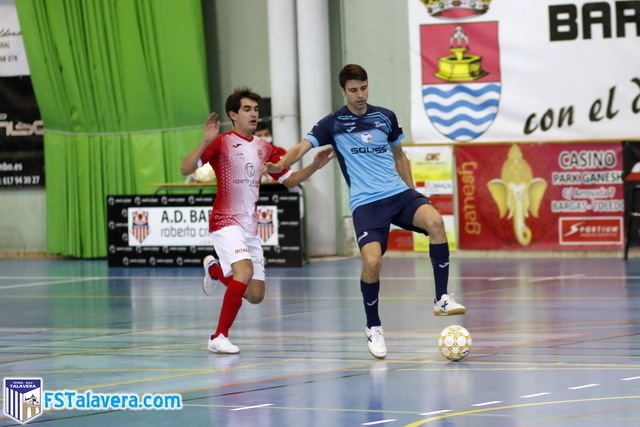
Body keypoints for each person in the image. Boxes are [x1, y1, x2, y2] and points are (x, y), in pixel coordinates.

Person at [265, 64, 465, 359]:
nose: (360, 95)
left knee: (435, 222)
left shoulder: (385, 117)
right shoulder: (332, 124)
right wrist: (281, 165)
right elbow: (301, 148)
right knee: (372, 262)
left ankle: (441, 298)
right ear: (342, 91)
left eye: (364, 88)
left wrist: (414, 192)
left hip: (398, 194)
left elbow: (400, 156)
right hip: (366, 204)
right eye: (354, 90)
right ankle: (373, 327)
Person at [181, 88, 333, 354]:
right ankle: (218, 337)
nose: (253, 114)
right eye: (247, 109)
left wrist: (314, 166)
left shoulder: (266, 148)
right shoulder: (221, 142)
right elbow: (185, 169)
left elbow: (290, 181)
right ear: (233, 115)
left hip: (249, 227)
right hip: (224, 219)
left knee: (255, 295)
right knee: (244, 271)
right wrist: (206, 141)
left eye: (256, 109)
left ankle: (215, 270)